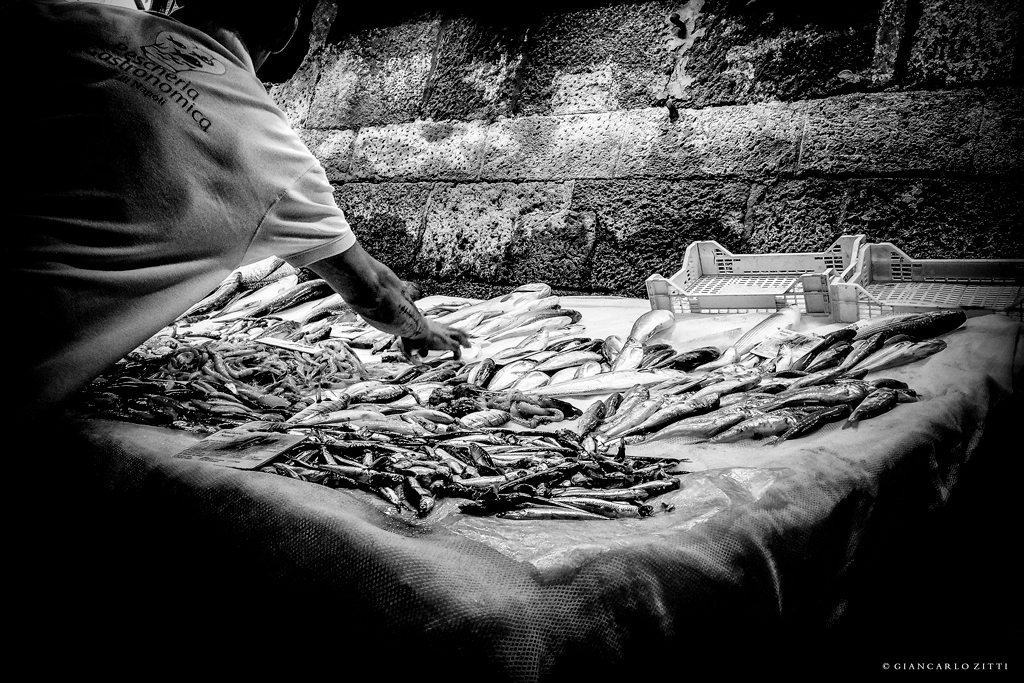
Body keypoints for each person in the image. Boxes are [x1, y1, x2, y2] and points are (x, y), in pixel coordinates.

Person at [6, 0, 469, 423]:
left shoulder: (53, 21)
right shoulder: (277, 159)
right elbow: (375, 292)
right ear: (287, 33)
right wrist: (418, 328)